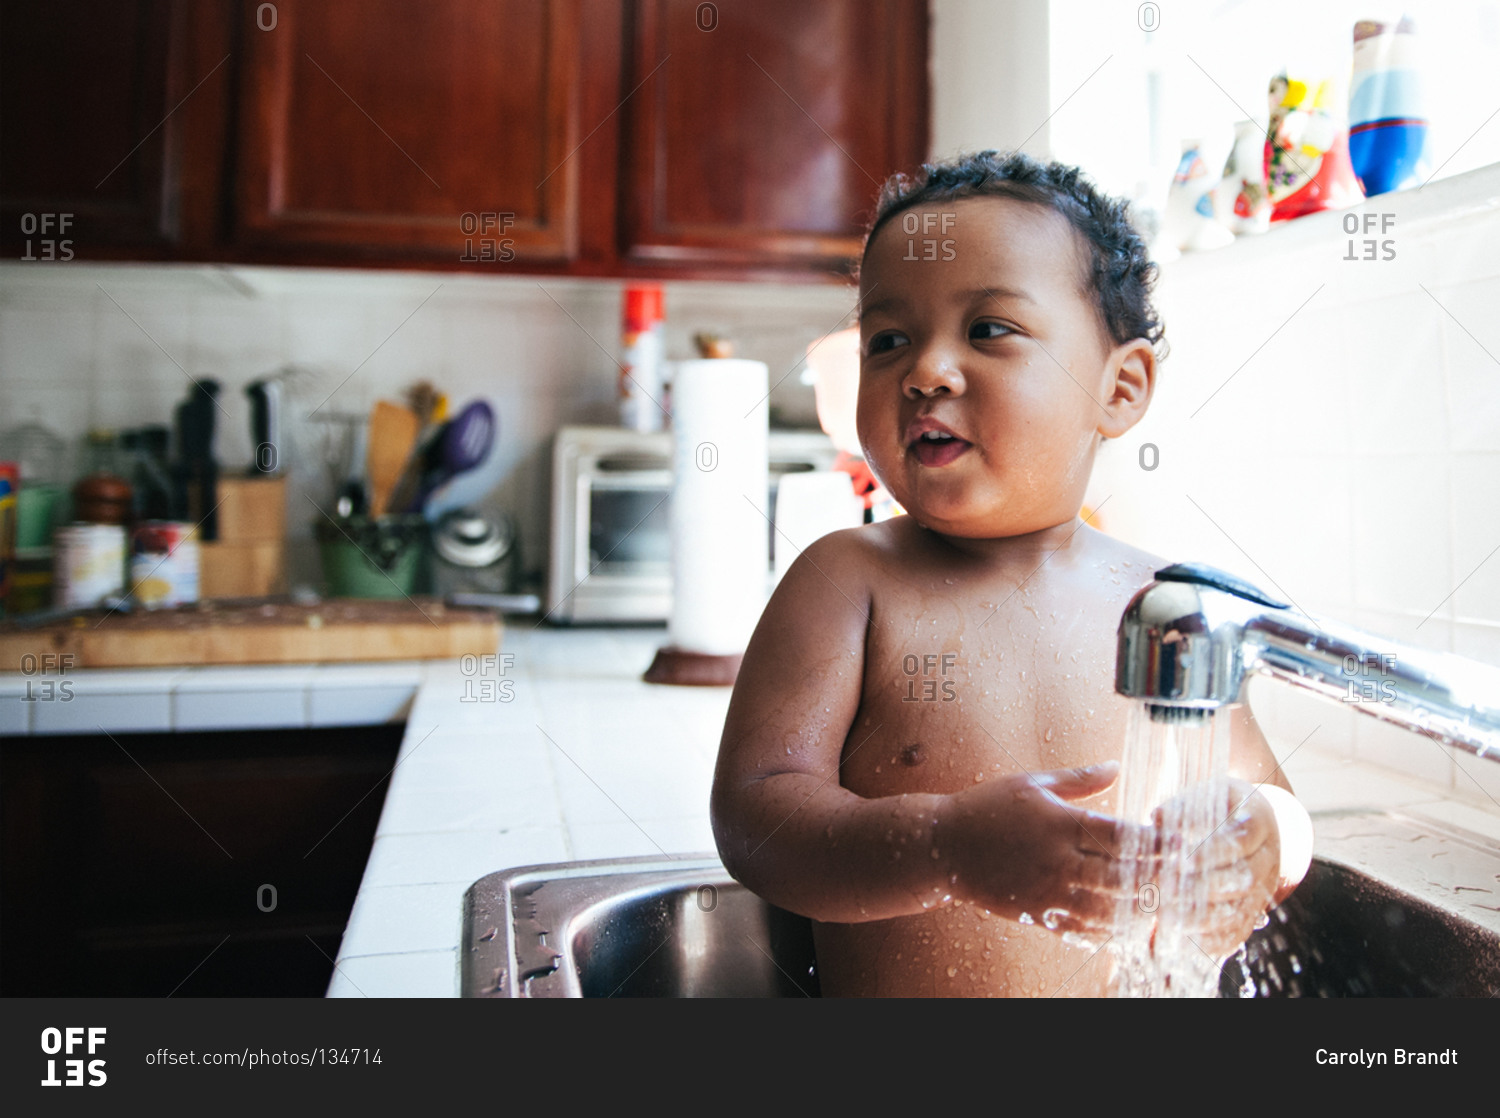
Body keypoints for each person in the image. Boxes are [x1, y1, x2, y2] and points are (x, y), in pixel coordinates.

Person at [710, 150, 1309, 997]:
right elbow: (756, 820)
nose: (924, 372)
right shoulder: (848, 582)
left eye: (988, 329)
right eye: (888, 340)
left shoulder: (1165, 609)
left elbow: (1271, 800)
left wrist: (1265, 836)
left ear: (1121, 387)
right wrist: (943, 847)